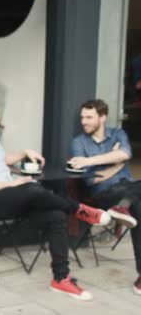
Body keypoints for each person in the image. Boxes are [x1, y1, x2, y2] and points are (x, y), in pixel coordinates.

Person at [0, 93, 115, 301]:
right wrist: (11, 183)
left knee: (56, 214)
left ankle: (61, 279)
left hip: (13, 196)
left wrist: (24, 152)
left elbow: (1, 161)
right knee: (31, 189)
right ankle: (80, 210)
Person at [70, 99, 141, 295]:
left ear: (103, 117)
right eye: (82, 117)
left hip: (128, 188)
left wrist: (91, 160)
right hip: (102, 195)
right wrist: (116, 162)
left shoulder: (118, 133)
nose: (84, 121)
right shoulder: (78, 143)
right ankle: (122, 206)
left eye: (89, 117)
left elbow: (125, 153)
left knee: (137, 204)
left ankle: (123, 206)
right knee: (135, 201)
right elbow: (91, 180)